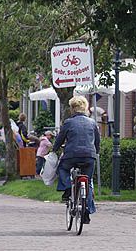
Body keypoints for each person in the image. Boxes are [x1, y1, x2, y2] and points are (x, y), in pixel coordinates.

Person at [53, 96, 100, 224]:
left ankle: (68, 188)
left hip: (71, 156)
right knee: (88, 181)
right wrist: (96, 152)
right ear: (84, 108)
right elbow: (97, 141)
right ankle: (87, 210)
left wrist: (54, 149)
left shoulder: (68, 122)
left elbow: (60, 139)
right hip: (89, 156)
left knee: (62, 168)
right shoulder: (92, 123)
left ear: (72, 109)